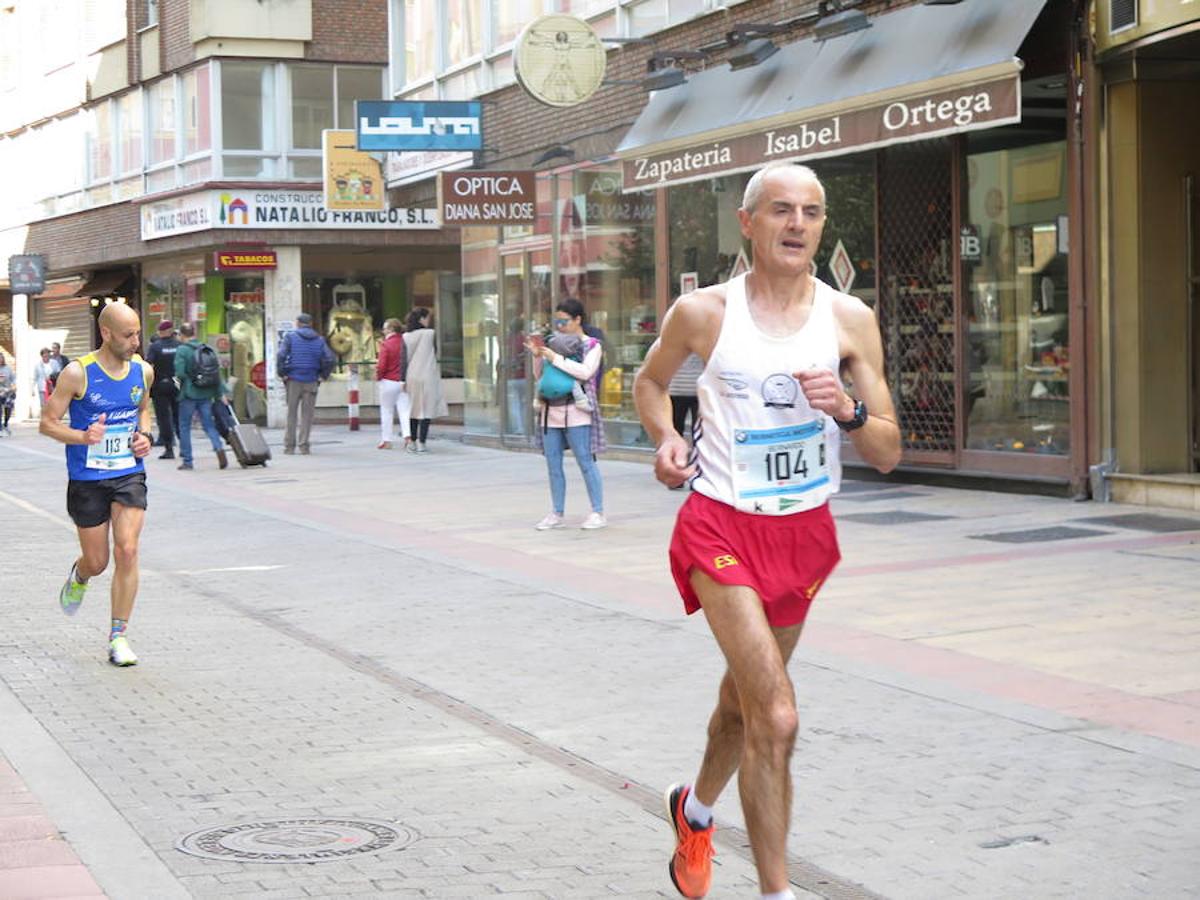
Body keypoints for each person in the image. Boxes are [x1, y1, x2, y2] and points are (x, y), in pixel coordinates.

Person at [633, 162, 901, 900]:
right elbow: (650, 383)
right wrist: (665, 439)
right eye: (780, 210)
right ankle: (777, 892)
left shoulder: (849, 320)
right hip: (718, 524)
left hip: (804, 535)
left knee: (741, 706)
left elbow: (886, 450)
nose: (797, 224)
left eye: (811, 212)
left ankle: (693, 812)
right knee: (776, 716)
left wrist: (846, 410)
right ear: (746, 222)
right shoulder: (705, 313)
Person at [38, 303, 154, 667]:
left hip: (128, 474)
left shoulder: (143, 370)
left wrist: (145, 436)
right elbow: (47, 423)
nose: (135, 341)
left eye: (137, 333)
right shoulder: (77, 373)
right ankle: (80, 575)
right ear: (106, 334)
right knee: (98, 560)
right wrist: (82, 435)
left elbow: (143, 410)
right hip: (88, 478)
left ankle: (118, 636)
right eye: (127, 335)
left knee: (128, 550)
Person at [525, 298, 607, 530]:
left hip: (577, 411)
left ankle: (597, 511)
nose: (560, 325)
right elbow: (541, 377)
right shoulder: (552, 342)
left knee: (585, 461)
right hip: (550, 411)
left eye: (564, 321)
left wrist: (555, 358)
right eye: (557, 321)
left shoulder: (591, 345)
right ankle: (556, 512)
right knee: (553, 463)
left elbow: (585, 372)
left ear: (578, 319)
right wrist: (538, 356)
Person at [173, 322, 229, 471]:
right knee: (208, 425)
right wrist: (219, 393)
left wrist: (188, 380)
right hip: (206, 393)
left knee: (184, 426)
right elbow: (216, 373)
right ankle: (218, 447)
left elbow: (179, 372)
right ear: (194, 333)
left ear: (182, 335)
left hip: (189, 393)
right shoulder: (207, 348)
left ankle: (187, 460)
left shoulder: (182, 350)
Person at [277, 312, 335, 455]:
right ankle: (304, 446)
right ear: (311, 324)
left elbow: (281, 355)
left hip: (293, 379)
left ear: (297, 323)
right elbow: (330, 359)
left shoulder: (290, 337)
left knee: (291, 413)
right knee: (307, 415)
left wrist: (282, 373)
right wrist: (323, 375)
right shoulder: (319, 340)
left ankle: (289, 447)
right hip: (311, 380)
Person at [402, 307, 448, 453]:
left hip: (411, 376)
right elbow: (435, 351)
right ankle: (422, 443)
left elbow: (403, 360)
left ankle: (412, 442)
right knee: (426, 409)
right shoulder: (430, 333)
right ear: (421, 319)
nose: (429, 320)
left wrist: (402, 380)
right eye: (427, 317)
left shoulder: (406, 336)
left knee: (413, 409)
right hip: (427, 374)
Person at [144, 320, 181, 459]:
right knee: (178, 416)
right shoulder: (179, 345)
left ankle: (169, 448)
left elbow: (148, 366)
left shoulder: (155, 346)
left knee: (164, 418)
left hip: (160, 386)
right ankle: (184, 447)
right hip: (177, 385)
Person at [375, 317, 411, 450]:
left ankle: (386, 440)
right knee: (405, 410)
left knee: (386, 410)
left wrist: (378, 376)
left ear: (390, 329)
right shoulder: (405, 342)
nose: (383, 331)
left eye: (385, 328)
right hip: (403, 381)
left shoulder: (386, 344)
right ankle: (408, 437)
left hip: (388, 381)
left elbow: (382, 365)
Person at [33, 347, 56, 413]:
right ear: (42, 356)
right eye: (44, 355)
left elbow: (59, 373)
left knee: (52, 405)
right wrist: (33, 389)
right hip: (42, 388)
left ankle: (52, 419)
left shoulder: (54, 363)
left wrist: (52, 377)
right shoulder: (37, 365)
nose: (46, 357)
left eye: (48, 355)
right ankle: (44, 419)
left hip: (52, 387)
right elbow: (35, 378)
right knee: (43, 405)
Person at [0, 352, 15, 435]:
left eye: (1, 358)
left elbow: (13, 379)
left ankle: (5, 423)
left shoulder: (8, 368)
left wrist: (13, 385)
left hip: (8, 392)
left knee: (8, 409)